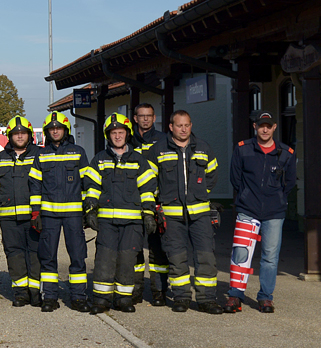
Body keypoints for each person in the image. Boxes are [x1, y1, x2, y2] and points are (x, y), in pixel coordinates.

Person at [149, 110, 224, 314]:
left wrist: (199, 194)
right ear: (171, 127)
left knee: (206, 256)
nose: (184, 129)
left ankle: (207, 299)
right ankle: (181, 297)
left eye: (187, 125)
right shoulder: (158, 150)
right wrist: (160, 201)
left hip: (200, 214)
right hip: (171, 215)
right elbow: (150, 180)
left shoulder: (203, 148)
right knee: (176, 257)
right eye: (179, 125)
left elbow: (212, 175)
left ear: (191, 126)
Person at [84, 113, 157, 313]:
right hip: (107, 222)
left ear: (127, 134)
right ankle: (101, 300)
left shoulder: (139, 161)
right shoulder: (99, 160)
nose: (117, 136)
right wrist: (90, 210)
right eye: (113, 133)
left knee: (127, 260)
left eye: (121, 132)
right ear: (108, 136)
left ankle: (124, 299)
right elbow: (91, 187)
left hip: (132, 223)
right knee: (104, 260)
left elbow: (147, 189)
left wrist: (148, 214)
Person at [227, 111, 296, 313]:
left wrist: (277, 198)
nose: (265, 129)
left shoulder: (286, 153)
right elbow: (235, 178)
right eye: (261, 125)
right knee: (241, 253)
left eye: (268, 126)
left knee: (270, 257)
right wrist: (247, 196)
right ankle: (235, 295)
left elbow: (290, 182)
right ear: (255, 126)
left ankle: (265, 297)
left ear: (274, 127)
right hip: (248, 209)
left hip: (274, 212)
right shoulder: (243, 149)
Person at [32, 111, 91, 312]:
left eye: (58, 128)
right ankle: (49, 297)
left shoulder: (78, 152)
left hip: (74, 215)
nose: (55, 131)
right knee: (47, 257)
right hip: (49, 215)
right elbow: (35, 185)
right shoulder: (41, 155)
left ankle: (78, 297)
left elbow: (87, 183)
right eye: (51, 129)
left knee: (78, 256)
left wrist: (87, 210)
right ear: (47, 132)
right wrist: (36, 212)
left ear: (65, 130)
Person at [0, 115, 43, 307]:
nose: (19, 136)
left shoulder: (40, 156)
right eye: (16, 133)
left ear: (30, 135)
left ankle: (36, 292)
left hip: (33, 217)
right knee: (14, 254)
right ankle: (20, 293)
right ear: (10, 136)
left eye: (23, 133)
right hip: (9, 218)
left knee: (35, 254)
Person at [132, 103, 168, 306]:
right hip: (132, 202)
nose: (145, 119)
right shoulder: (127, 140)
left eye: (149, 116)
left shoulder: (164, 140)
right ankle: (136, 290)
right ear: (135, 118)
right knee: (134, 248)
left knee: (158, 249)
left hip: (156, 203)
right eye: (141, 115)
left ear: (154, 118)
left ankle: (159, 291)